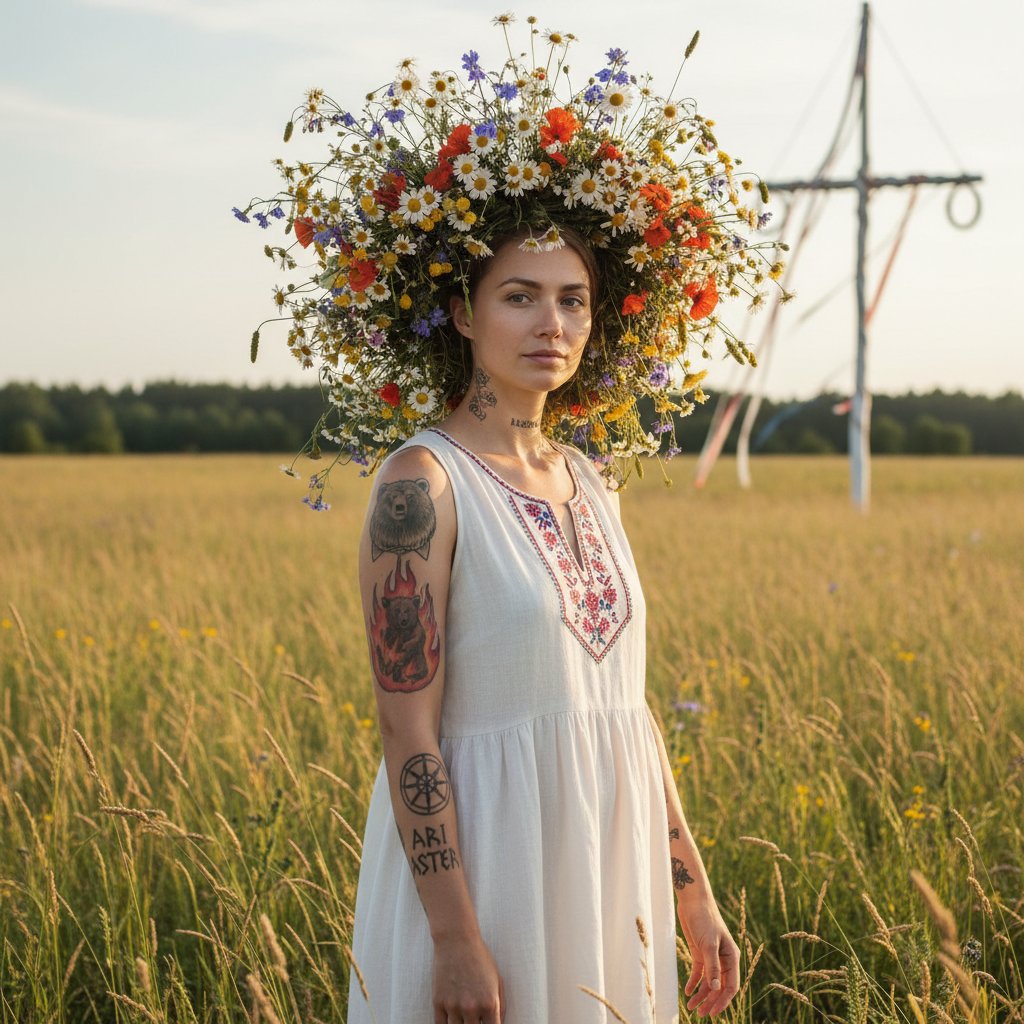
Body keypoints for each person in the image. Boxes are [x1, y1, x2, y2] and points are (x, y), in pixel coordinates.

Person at [346, 226, 741, 1024]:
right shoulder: (419, 485)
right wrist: (455, 936)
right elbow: (406, 730)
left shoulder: (592, 479)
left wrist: (692, 894)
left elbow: (623, 710)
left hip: (606, 867)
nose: (550, 324)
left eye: (572, 300)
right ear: (462, 313)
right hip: (487, 874)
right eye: (519, 296)